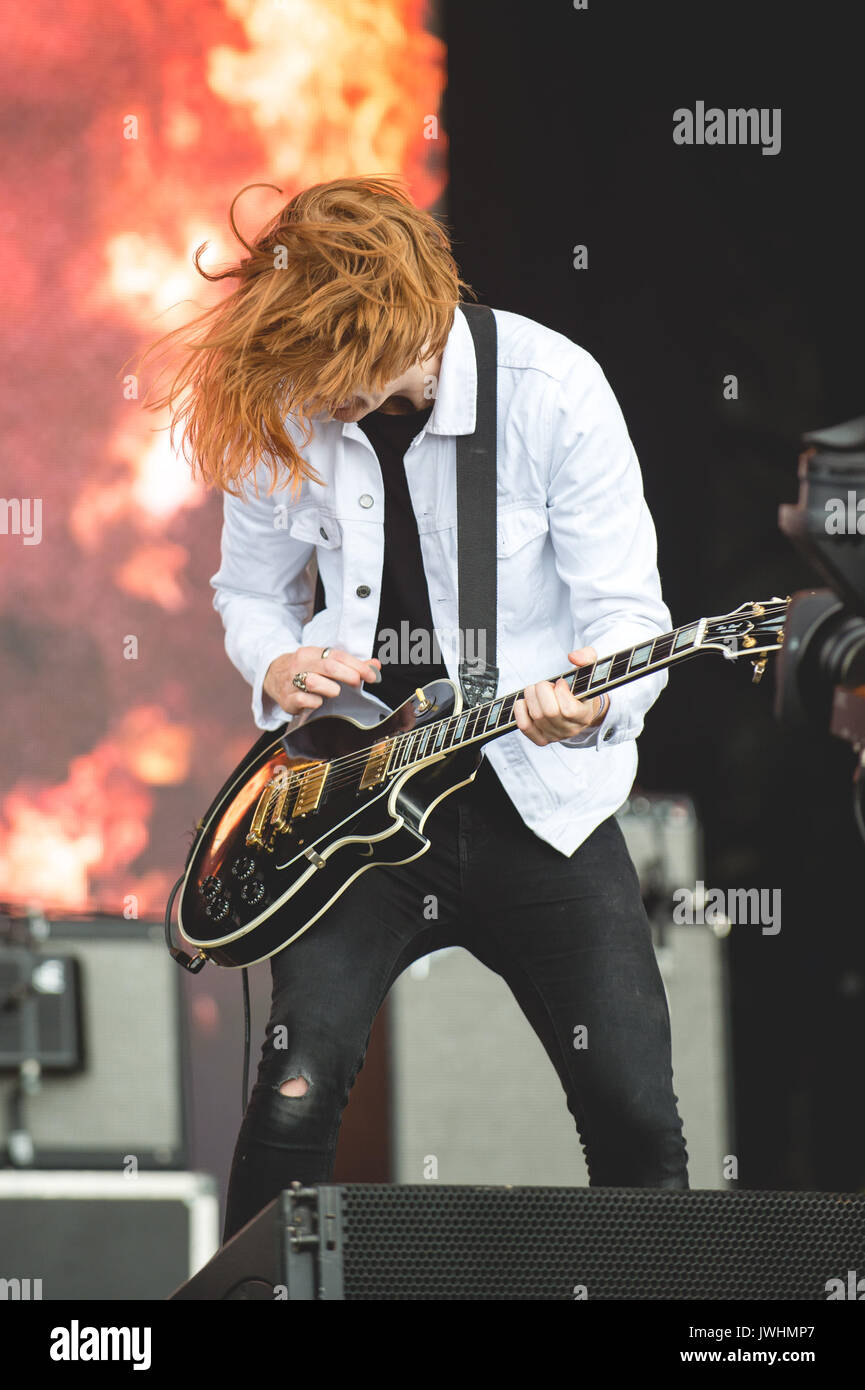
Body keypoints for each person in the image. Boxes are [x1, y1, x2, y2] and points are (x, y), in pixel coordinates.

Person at [143, 175, 689, 1243]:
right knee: (295, 1092)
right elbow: (246, 590)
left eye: (341, 369)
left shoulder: (552, 388)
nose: (323, 395)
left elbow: (629, 616)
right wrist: (280, 657)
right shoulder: (285, 395)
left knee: (632, 1112)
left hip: (540, 801)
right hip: (356, 808)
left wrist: (590, 703)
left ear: (407, 318)